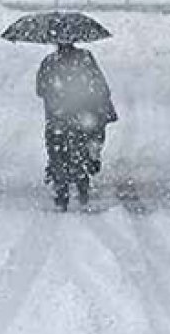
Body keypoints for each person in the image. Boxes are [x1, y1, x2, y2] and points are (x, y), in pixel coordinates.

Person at [36, 42, 117, 211]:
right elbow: (99, 84)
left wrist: (56, 95)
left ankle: (61, 190)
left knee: (57, 152)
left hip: (58, 117)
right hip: (82, 116)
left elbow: (40, 90)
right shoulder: (86, 58)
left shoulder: (49, 62)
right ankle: (82, 184)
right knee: (82, 149)